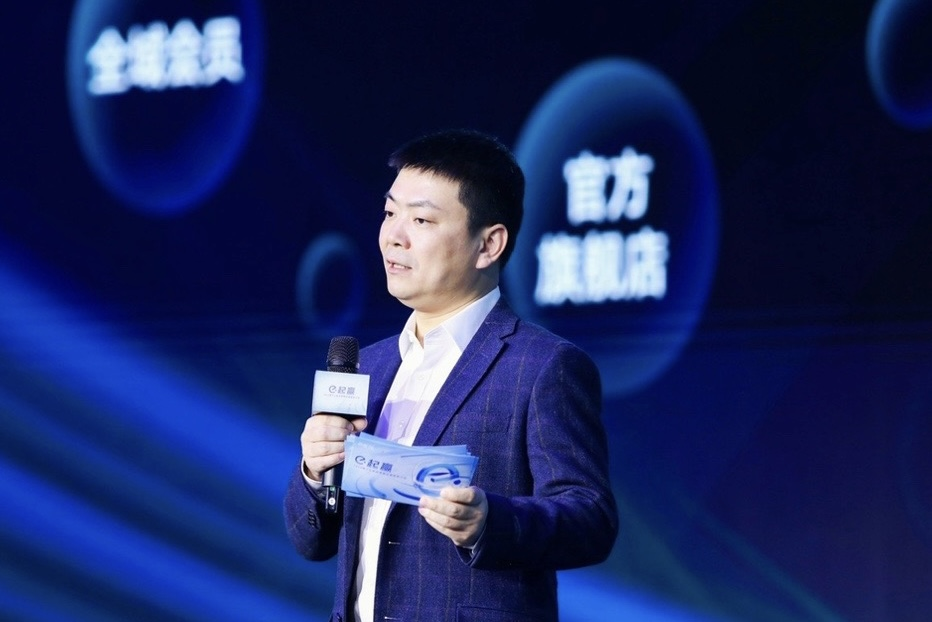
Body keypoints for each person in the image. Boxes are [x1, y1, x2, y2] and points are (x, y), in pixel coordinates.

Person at [284, 128, 618, 622]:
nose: (394, 236)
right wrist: (315, 473)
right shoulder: (367, 366)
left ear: (489, 244)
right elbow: (310, 541)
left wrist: (489, 522)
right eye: (390, 213)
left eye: (421, 219)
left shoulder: (542, 366)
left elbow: (590, 517)